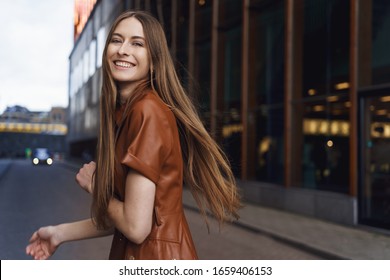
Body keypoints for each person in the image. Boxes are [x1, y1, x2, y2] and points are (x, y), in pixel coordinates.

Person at [26, 10, 241, 260]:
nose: (122, 50)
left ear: (154, 59)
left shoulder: (146, 111)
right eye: (117, 40)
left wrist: (96, 187)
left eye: (137, 43)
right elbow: (126, 217)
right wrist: (60, 233)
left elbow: (136, 228)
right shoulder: (127, 114)